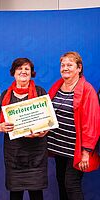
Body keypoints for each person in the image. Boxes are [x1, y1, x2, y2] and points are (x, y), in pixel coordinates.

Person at [0, 58, 48, 200]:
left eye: (27, 69)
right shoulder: (5, 95)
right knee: (15, 194)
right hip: (14, 154)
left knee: (36, 194)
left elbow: (49, 121)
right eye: (19, 68)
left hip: (36, 154)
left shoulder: (40, 92)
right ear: (13, 72)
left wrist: (43, 131)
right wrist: (0, 127)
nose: (23, 71)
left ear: (31, 73)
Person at [47, 51, 100, 200]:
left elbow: (92, 123)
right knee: (61, 183)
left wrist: (86, 152)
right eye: (63, 65)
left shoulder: (87, 90)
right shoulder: (56, 86)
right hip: (58, 147)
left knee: (71, 185)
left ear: (79, 68)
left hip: (75, 150)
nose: (65, 68)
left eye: (69, 65)